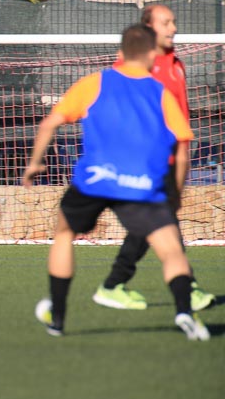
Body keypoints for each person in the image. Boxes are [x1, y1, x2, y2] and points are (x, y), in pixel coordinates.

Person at [23, 23, 209, 340]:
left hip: (95, 180)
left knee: (64, 234)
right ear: (152, 55)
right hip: (141, 183)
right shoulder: (160, 93)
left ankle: (57, 318)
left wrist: (35, 163)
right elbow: (181, 150)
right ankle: (183, 312)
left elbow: (49, 124)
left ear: (120, 53)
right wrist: (176, 193)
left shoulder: (94, 83)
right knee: (171, 250)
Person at [92, 4, 216, 312]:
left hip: (170, 159)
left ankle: (115, 285)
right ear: (148, 28)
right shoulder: (133, 64)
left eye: (174, 22)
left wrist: (182, 153)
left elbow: (180, 116)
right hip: (143, 162)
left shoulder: (176, 63)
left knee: (155, 227)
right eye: (166, 23)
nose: (173, 28)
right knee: (162, 225)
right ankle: (183, 288)